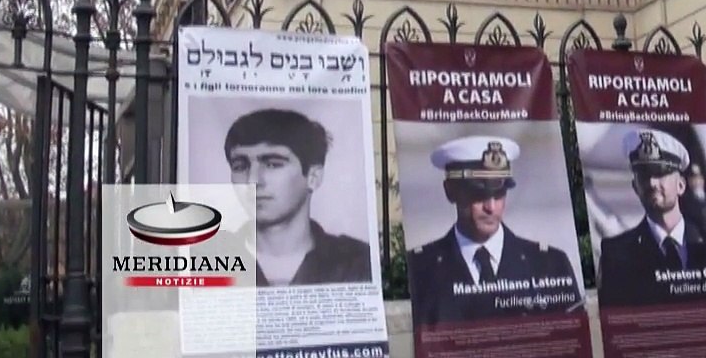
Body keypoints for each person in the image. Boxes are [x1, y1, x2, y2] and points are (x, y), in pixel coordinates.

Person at [406, 135, 584, 326]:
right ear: (450, 191)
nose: (491, 207)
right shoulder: (421, 268)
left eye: (499, 194)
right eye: (478, 194)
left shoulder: (549, 264)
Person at [596, 128, 706, 307]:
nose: (652, 183)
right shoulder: (615, 254)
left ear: (681, 185)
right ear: (635, 187)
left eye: (660, 173)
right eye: (644, 175)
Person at [224, 107, 373, 287]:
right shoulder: (206, 258)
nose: (252, 180)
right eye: (240, 166)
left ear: (313, 177)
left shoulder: (357, 262)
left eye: (272, 164)